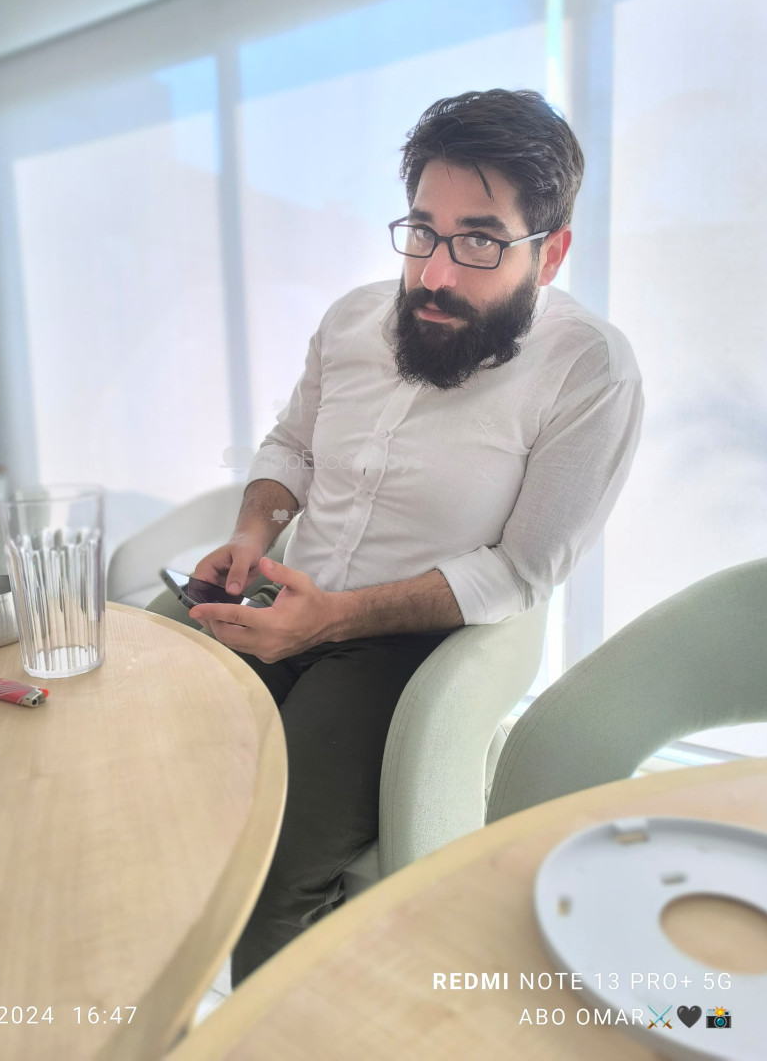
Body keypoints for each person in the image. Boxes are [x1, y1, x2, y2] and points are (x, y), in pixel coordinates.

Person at [154, 89, 643, 983]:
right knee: (140, 769)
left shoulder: (590, 370)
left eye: (480, 241)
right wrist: (254, 533)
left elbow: (524, 570)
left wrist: (334, 619)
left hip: (403, 644)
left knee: (272, 874)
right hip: (280, 593)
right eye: (422, 232)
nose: (436, 275)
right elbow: (292, 446)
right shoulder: (352, 318)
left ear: (551, 252)